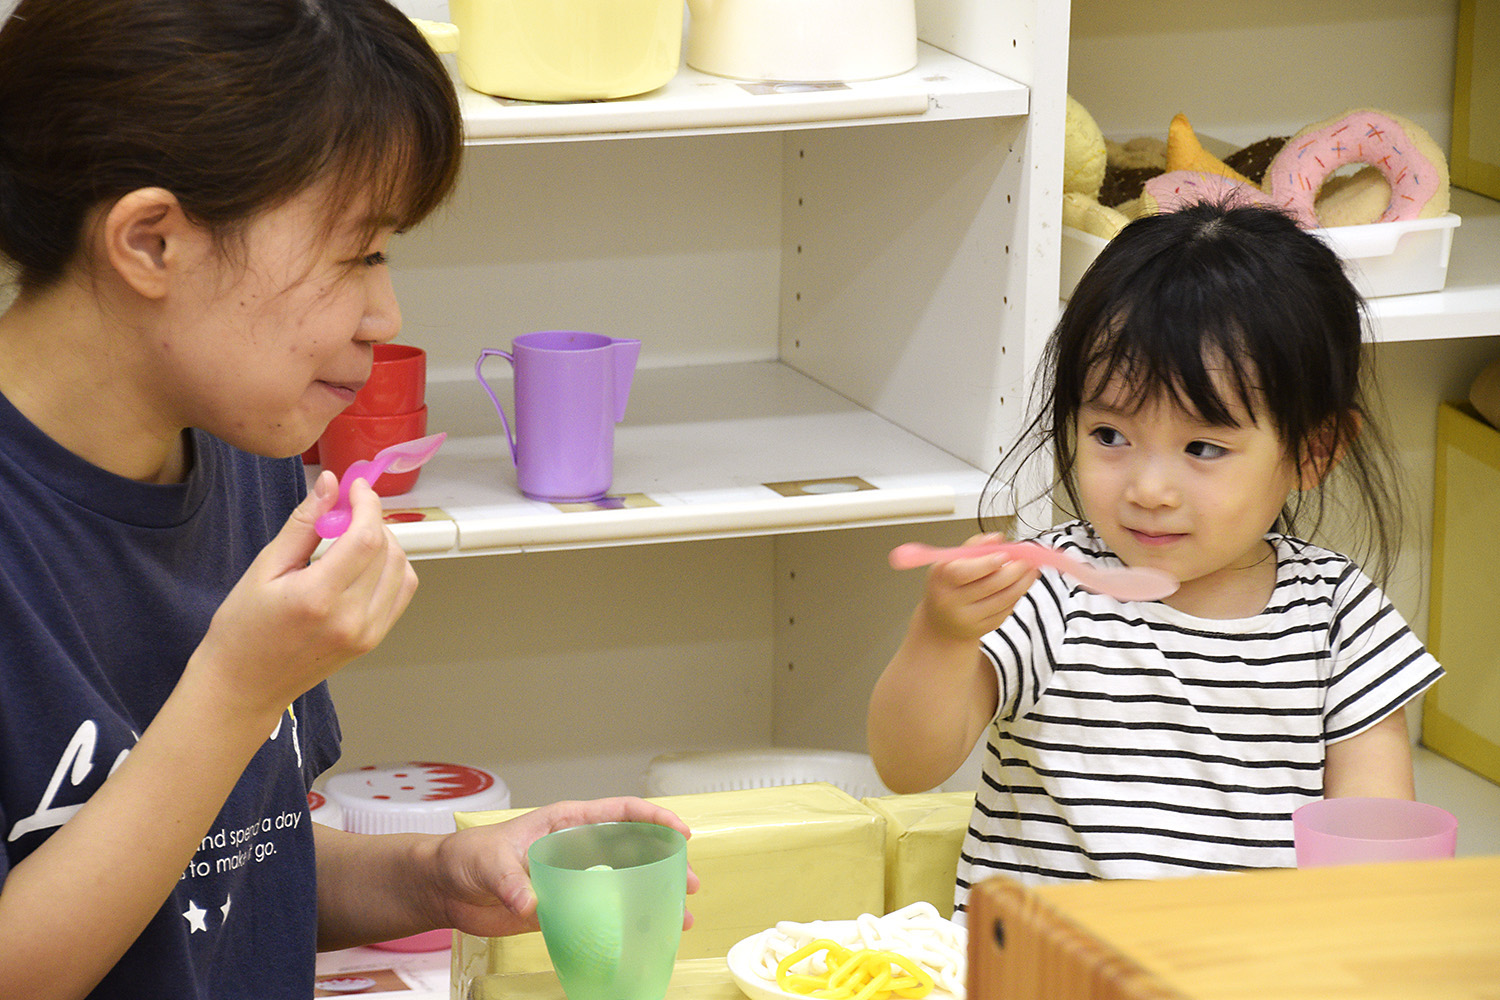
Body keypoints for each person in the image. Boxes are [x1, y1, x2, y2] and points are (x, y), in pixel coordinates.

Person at [0, 2, 694, 998]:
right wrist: (234, 693)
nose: (387, 313)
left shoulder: (244, 451)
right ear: (151, 242)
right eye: (358, 251)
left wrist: (438, 875)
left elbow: (233, 863)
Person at [867, 202, 1444, 911]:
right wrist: (941, 637)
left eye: (1202, 447)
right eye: (1111, 434)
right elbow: (906, 767)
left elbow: (1372, 859)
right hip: (1040, 974)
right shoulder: (1048, 590)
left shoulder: (1337, 615)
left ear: (1313, 449)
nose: (1148, 489)